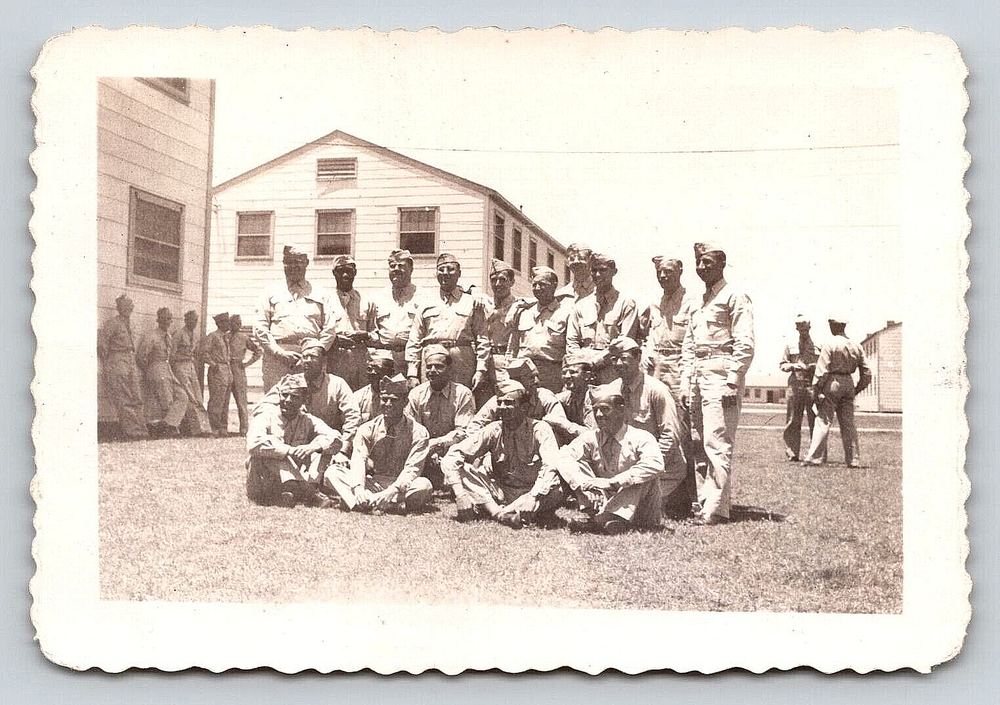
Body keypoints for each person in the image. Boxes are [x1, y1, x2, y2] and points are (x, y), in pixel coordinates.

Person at [680, 242, 754, 525]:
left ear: (722, 264)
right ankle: (702, 503)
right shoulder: (698, 303)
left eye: (708, 262)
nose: (702, 268)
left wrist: (733, 380)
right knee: (698, 441)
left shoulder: (734, 296)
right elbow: (689, 345)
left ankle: (717, 509)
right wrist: (687, 382)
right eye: (699, 262)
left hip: (721, 373)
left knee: (717, 441)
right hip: (698, 374)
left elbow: (744, 342)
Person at [440, 379, 565, 529]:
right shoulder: (494, 429)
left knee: (558, 489)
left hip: (531, 492)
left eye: (509, 403)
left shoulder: (540, 429)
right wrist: (460, 495)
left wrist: (533, 497)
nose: (502, 407)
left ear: (524, 408)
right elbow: (454, 454)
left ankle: (507, 511)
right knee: (461, 469)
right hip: (499, 491)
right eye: (500, 402)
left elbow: (551, 465)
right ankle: (499, 513)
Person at [557, 380, 666, 535]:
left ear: (621, 410)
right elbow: (563, 457)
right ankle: (607, 520)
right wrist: (584, 484)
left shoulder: (641, 437)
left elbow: (655, 464)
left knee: (639, 477)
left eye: (605, 409)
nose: (599, 415)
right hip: (603, 501)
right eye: (595, 410)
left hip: (642, 512)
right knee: (575, 462)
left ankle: (599, 521)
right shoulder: (591, 437)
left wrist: (612, 482)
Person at [638, 255, 699, 510]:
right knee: (655, 426)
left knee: (684, 430)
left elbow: (693, 342)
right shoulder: (655, 304)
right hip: (657, 367)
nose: (664, 276)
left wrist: (686, 378)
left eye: (669, 272)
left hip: (679, 367)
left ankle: (691, 494)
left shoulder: (692, 302)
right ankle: (661, 491)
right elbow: (650, 335)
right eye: (660, 272)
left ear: (680, 271)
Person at [608, 336, 687, 511]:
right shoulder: (613, 389)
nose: (618, 364)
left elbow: (671, 436)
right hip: (627, 467)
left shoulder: (656, 390)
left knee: (632, 504)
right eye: (614, 359)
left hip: (662, 469)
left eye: (624, 358)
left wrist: (646, 467)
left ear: (638, 358)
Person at [257, 339, 361, 464]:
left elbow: (352, 416)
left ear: (324, 362)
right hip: (293, 443)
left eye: (313, 357)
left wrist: (343, 449)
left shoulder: (337, 384)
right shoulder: (290, 382)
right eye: (305, 357)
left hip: (325, 444)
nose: (307, 361)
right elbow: (263, 407)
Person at [245, 374, 341, 509]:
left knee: (322, 443)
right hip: (264, 480)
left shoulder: (308, 420)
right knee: (271, 448)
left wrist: (315, 447)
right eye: (284, 395)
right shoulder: (265, 416)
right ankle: (308, 493)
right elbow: (254, 443)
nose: (288, 400)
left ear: (304, 400)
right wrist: (289, 450)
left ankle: (294, 492)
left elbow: (336, 438)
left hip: (296, 476)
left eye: (295, 397)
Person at [253, 244, 336, 393]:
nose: (293, 266)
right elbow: (260, 327)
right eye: (288, 262)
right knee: (275, 402)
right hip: (277, 358)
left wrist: (315, 353)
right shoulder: (270, 291)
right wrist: (278, 352)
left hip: (312, 358)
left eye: (297, 262)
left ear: (306, 263)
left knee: (311, 403)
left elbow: (329, 328)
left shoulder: (321, 293)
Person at [406, 253, 489, 394]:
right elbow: (414, 339)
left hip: (461, 362)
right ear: (436, 273)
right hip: (432, 360)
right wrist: (412, 372)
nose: (445, 273)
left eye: (450, 269)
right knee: (429, 402)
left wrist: (481, 370)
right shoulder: (425, 303)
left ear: (459, 273)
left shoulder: (471, 302)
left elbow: (482, 339)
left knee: (461, 399)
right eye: (441, 269)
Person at [349, 374, 433, 514]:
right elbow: (358, 458)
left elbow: (413, 468)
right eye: (384, 399)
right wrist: (359, 488)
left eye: (393, 400)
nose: (388, 404)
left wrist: (392, 491)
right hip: (374, 482)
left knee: (424, 485)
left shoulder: (418, 432)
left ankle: (365, 503)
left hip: (400, 485)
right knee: (333, 473)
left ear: (405, 402)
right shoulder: (367, 428)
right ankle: (388, 505)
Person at [802, 315, 872, 468]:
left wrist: (816, 389)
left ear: (833, 326)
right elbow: (867, 373)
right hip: (849, 382)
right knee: (848, 423)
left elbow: (822, 370)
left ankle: (814, 457)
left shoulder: (830, 344)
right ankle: (853, 459)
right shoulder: (856, 345)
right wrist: (856, 389)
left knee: (823, 420)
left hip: (833, 382)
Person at [405, 344, 476, 490]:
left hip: (451, 451)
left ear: (450, 370)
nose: (432, 371)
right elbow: (412, 430)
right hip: (422, 451)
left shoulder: (463, 393)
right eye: (429, 367)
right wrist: (427, 448)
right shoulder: (416, 394)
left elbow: (463, 432)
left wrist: (437, 445)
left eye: (439, 367)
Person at [467, 357, 585, 443]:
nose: (536, 382)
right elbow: (475, 425)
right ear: (516, 382)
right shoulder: (501, 399)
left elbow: (560, 425)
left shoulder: (544, 396)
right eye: (530, 378)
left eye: (536, 376)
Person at [566, 252, 638, 384]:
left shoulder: (626, 304)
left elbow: (624, 341)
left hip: (612, 370)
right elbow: (572, 341)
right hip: (583, 370)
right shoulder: (581, 305)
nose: (597, 275)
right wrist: (581, 363)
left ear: (614, 272)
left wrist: (595, 362)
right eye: (594, 270)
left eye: (603, 270)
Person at [508, 266, 572, 393]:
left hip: (551, 374)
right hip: (523, 373)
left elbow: (570, 350)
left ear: (554, 285)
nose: (537, 288)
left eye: (542, 284)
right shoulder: (523, 313)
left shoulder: (566, 313)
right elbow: (512, 348)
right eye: (534, 284)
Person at [97, 294, 148, 439]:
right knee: (124, 396)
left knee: (136, 395)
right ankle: (132, 431)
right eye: (125, 306)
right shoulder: (112, 323)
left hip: (130, 358)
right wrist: (110, 363)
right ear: (119, 308)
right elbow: (102, 345)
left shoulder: (131, 324)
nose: (128, 309)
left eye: (130, 306)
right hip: (117, 359)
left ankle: (142, 430)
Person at [135, 307, 188, 437]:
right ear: (158, 320)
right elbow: (141, 356)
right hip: (156, 368)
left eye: (169, 318)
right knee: (166, 400)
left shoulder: (168, 336)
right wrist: (151, 371)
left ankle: (169, 424)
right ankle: (169, 430)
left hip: (167, 369)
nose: (168, 321)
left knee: (182, 396)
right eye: (165, 318)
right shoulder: (151, 336)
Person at [327, 255, 377, 391]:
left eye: (349, 271)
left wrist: (366, 335)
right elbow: (318, 332)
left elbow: (376, 332)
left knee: (360, 400)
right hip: (335, 360)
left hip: (360, 361)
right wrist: (334, 339)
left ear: (355, 273)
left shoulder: (367, 301)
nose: (344, 275)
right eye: (340, 270)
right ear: (333, 273)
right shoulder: (325, 300)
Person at [370, 249, 422, 375]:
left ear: (411, 269)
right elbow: (371, 329)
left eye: (401, 266)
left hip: (411, 360)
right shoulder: (377, 297)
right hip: (384, 359)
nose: (396, 269)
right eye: (392, 266)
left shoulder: (423, 296)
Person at [780, 314, 820, 461]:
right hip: (795, 386)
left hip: (812, 386)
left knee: (815, 420)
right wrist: (793, 365)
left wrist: (815, 367)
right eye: (800, 329)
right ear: (797, 328)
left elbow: (824, 365)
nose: (803, 332)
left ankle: (816, 453)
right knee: (792, 420)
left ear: (809, 328)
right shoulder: (790, 345)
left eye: (806, 329)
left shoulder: (818, 345)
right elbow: (782, 365)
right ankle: (792, 453)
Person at [481, 258, 520, 405]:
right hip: (485, 360)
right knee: (484, 402)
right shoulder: (483, 303)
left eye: (503, 279)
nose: (498, 284)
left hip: (506, 360)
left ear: (512, 282)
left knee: (507, 399)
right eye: (493, 280)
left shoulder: (520, 305)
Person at [170, 310, 212, 436]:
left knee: (198, 396)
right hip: (180, 366)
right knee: (189, 396)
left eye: (196, 320)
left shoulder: (194, 335)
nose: (194, 323)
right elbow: (171, 354)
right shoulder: (179, 334)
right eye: (192, 320)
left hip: (190, 365)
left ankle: (203, 428)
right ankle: (193, 429)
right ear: (186, 320)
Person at [227, 314, 262, 435]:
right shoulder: (224, 336)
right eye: (232, 323)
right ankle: (222, 428)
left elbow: (258, 351)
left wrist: (247, 364)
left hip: (238, 368)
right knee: (224, 400)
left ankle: (244, 429)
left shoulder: (244, 337)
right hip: (225, 367)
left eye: (237, 323)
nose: (235, 325)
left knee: (241, 400)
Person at [200, 312, 234, 436]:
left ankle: (223, 428)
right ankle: (213, 428)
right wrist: (213, 364)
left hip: (227, 369)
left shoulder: (226, 337)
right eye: (226, 322)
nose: (229, 324)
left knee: (225, 401)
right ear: (220, 323)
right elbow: (204, 353)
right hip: (218, 370)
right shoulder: (213, 336)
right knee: (216, 400)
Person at [556, 351, 597, 432]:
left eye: (573, 372)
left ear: (587, 376)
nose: (567, 376)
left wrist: (563, 424)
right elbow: (548, 398)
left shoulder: (594, 398)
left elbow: (591, 434)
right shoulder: (567, 397)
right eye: (564, 373)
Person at [352, 350, 397, 424]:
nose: (373, 373)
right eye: (370, 369)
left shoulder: (399, 397)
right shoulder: (358, 397)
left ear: (390, 372)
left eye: (377, 368)